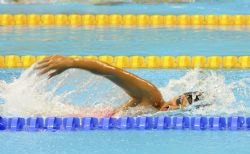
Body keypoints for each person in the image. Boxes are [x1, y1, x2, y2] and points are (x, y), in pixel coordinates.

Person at [35, 55, 203, 116]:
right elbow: (112, 72)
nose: (172, 106)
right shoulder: (152, 97)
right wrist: (72, 62)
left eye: (179, 106)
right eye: (176, 100)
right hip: (86, 117)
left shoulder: (153, 114)